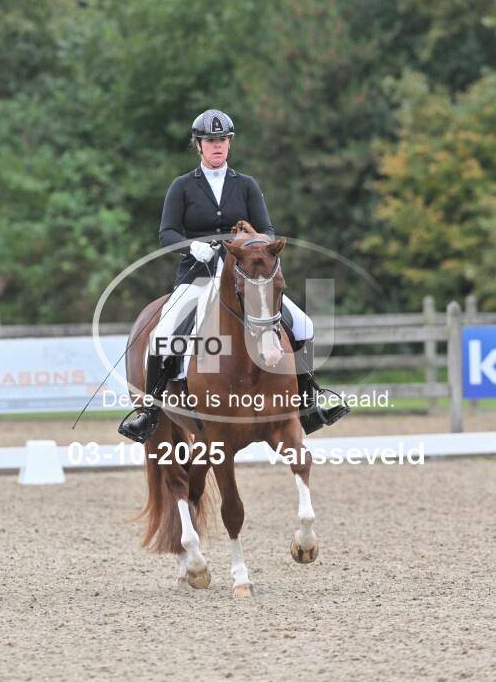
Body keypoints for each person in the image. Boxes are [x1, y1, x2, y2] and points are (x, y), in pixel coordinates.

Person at [118, 109, 347, 443]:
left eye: (222, 140)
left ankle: (309, 401)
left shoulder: (246, 185)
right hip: (197, 277)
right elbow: (167, 233)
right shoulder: (182, 186)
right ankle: (150, 411)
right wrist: (192, 247)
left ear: (229, 144)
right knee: (163, 334)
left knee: (303, 324)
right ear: (198, 145)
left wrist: (253, 245)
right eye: (210, 140)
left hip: (245, 277)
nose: (217, 146)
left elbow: (267, 229)